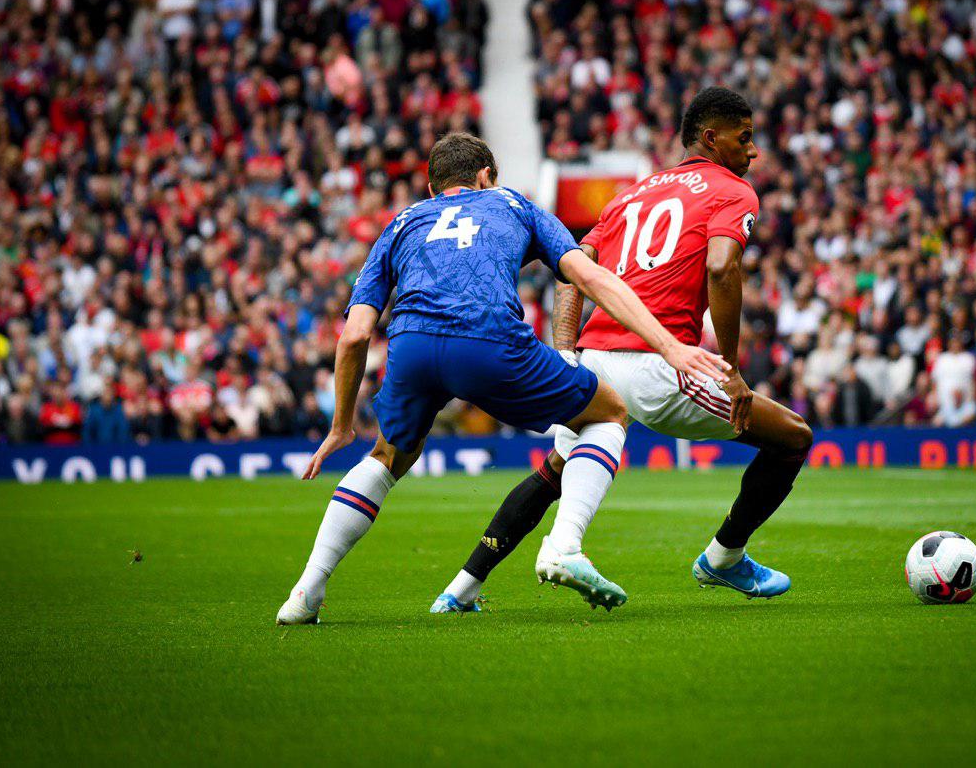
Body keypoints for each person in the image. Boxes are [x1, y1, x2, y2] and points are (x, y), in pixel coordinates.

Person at [276, 133, 728, 625]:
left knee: (387, 456)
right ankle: (564, 546)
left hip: (412, 344)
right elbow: (589, 277)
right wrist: (669, 344)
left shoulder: (402, 221)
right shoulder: (512, 202)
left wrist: (341, 425)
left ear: (432, 186)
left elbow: (355, 335)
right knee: (610, 411)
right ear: (487, 175)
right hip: (489, 340)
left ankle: (305, 593)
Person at [433, 88, 813, 613]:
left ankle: (459, 590)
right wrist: (730, 369)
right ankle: (725, 557)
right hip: (660, 367)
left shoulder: (633, 193)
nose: (753, 152)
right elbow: (722, 268)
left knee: (555, 471)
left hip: (594, 361)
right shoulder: (733, 191)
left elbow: (571, 275)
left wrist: (565, 353)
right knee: (792, 438)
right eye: (744, 138)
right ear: (711, 138)